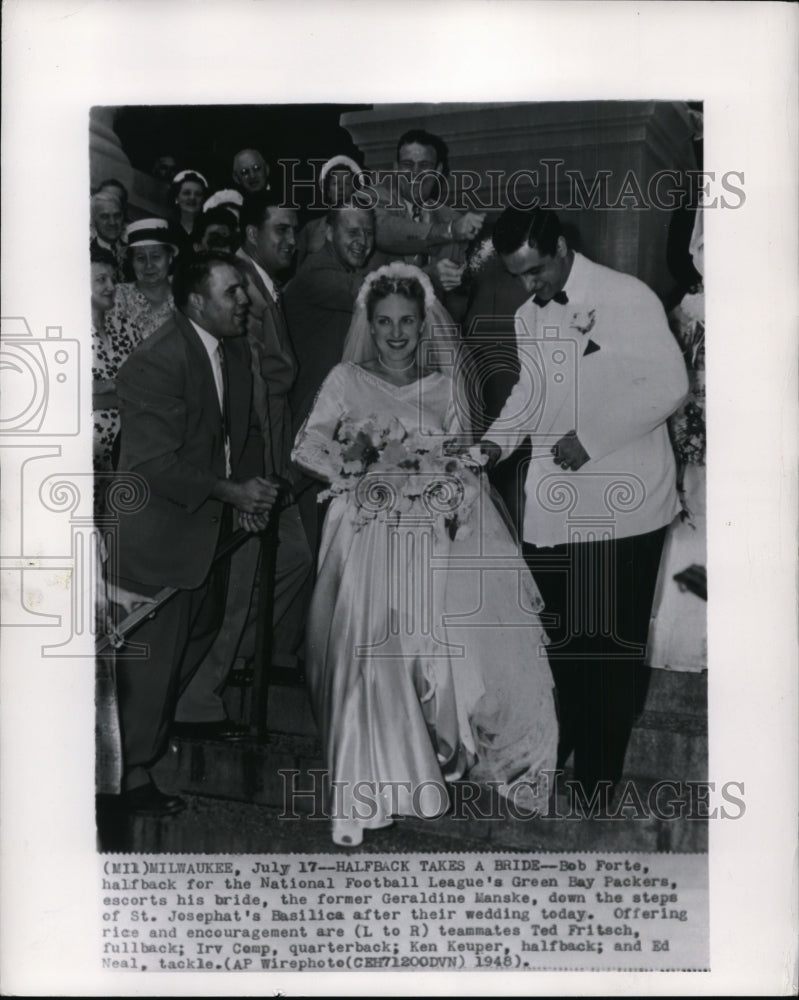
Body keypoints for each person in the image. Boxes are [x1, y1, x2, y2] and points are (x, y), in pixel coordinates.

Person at [292, 262, 557, 846]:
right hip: (364, 532)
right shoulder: (344, 379)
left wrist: (438, 482)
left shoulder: (444, 385)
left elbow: (466, 459)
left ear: (423, 324)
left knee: (432, 653)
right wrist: (358, 470)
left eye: (406, 322)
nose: (394, 334)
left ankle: (428, 764)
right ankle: (364, 785)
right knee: (370, 654)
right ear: (369, 322)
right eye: (383, 322)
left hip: (429, 533)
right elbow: (307, 444)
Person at [477, 206, 689, 808]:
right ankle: (553, 756)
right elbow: (529, 393)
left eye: (536, 271)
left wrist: (591, 438)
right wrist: (491, 443)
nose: (529, 286)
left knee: (610, 650)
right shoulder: (526, 315)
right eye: (518, 275)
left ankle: (597, 784)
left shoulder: (627, 295)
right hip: (556, 510)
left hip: (625, 508)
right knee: (561, 646)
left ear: (563, 248)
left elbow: (669, 382)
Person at [111, 252, 277, 814]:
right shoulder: (157, 360)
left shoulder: (230, 351)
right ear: (196, 301)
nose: (245, 300)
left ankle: (136, 751)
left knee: (198, 633)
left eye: (244, 291)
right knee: (149, 666)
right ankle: (122, 779)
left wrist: (248, 495)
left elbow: (238, 435)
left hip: (203, 535)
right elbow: (153, 463)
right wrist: (232, 494)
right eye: (233, 292)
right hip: (156, 541)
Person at [284, 198, 379, 558]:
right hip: (313, 423)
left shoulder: (343, 271)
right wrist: (424, 279)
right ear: (328, 232)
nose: (362, 242)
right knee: (321, 543)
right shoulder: (315, 273)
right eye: (352, 232)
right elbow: (369, 294)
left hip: (342, 423)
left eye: (369, 233)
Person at [372, 128, 486, 307]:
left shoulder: (452, 217)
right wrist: (448, 231)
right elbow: (383, 232)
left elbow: (459, 304)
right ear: (395, 168)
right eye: (408, 165)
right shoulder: (371, 199)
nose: (415, 174)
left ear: (438, 170)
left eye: (424, 165)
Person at [91, 245, 136, 508]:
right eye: (100, 280)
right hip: (86, 455)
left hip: (128, 451)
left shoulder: (125, 326)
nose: (111, 286)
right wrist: (116, 387)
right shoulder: (63, 330)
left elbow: (146, 382)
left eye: (112, 279)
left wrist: (99, 390)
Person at [105, 218, 176, 346]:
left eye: (156, 257)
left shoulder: (185, 293)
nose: (149, 265)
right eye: (140, 258)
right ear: (132, 262)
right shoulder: (117, 296)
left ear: (170, 258)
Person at [295, 154, 364, 266]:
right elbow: (298, 268)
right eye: (335, 183)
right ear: (327, 191)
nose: (341, 188)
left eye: (347, 183)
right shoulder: (311, 228)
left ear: (354, 191)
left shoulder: (363, 227)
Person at [169, 169, 208, 255]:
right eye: (187, 193)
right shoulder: (167, 229)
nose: (192, 198)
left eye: (198, 194)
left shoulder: (208, 231)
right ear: (176, 198)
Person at [90, 189, 126, 281]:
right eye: (105, 217)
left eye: (117, 215)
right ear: (93, 221)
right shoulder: (88, 256)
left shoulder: (133, 251)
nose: (112, 222)